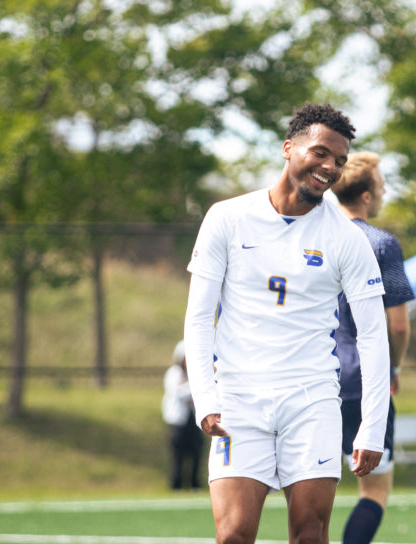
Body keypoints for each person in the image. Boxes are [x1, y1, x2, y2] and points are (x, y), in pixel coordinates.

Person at [183, 102, 391, 544]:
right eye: (320, 153)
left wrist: (371, 425)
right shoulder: (226, 217)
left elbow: (374, 335)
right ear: (288, 148)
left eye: (339, 160)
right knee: (234, 535)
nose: (329, 167)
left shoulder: (347, 238)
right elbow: (200, 318)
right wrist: (206, 398)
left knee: (310, 535)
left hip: (312, 401)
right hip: (239, 401)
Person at [330, 151, 415, 544]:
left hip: (315, 378)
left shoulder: (317, 236)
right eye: (381, 186)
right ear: (366, 195)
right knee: (375, 491)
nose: (383, 193)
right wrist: (393, 369)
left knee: (310, 488)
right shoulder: (381, 244)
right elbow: (397, 326)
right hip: (365, 382)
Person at [162, 339, 203, 490]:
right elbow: (180, 393)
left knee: (196, 453)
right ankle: (176, 486)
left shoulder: (195, 374)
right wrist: (197, 388)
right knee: (178, 456)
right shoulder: (173, 374)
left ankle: (195, 484)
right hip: (178, 422)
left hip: (194, 420)